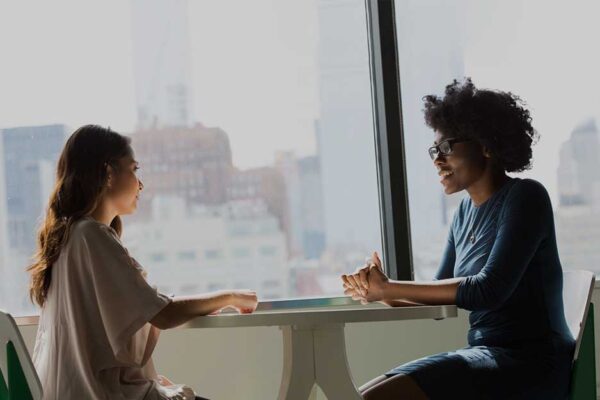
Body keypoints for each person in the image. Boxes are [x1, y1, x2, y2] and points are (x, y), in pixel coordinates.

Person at [341, 79, 575, 399]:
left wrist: (389, 287)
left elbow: (488, 290)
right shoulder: (463, 214)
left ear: (486, 145)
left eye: (447, 147)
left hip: (533, 363)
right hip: (485, 356)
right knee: (356, 396)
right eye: (434, 150)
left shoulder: (526, 197)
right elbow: (440, 297)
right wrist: (377, 291)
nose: (437, 160)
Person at [28, 125, 258, 400]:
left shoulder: (67, 238)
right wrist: (230, 297)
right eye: (134, 169)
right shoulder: (91, 235)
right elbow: (163, 314)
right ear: (108, 173)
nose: (141, 183)